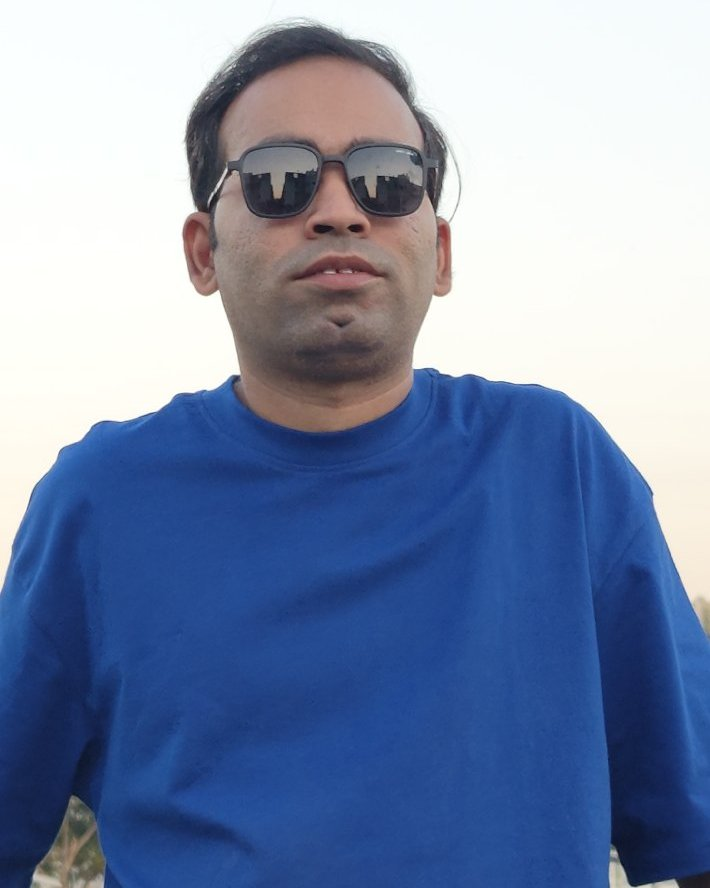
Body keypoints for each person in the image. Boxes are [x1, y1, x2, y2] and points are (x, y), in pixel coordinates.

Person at [1, 21, 709, 888]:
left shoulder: (561, 470)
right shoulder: (101, 503)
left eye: (388, 179)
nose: (339, 211)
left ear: (439, 251)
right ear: (202, 252)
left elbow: (695, 826)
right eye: (279, 180)